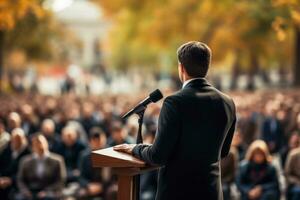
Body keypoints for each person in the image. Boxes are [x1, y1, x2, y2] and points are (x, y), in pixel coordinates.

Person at [114, 41, 236, 200]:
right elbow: (224, 151)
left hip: (177, 192)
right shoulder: (227, 102)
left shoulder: (175, 102)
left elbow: (158, 156)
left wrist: (135, 148)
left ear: (181, 68)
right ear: (207, 66)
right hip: (210, 192)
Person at [17, 133, 66, 200]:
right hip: (31, 191)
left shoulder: (57, 160)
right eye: (36, 143)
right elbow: (20, 179)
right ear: (32, 146)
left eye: (40, 142)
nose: (39, 145)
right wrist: (26, 191)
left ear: (46, 144)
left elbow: (61, 180)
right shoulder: (25, 161)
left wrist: (47, 191)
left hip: (50, 192)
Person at [0, 128, 30, 199]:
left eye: (18, 139)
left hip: (19, 184)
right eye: (13, 139)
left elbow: (27, 173)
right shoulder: (7, 151)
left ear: (23, 139)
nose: (15, 142)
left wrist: (11, 180)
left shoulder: (28, 153)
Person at [77, 127, 107, 199]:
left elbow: (113, 176)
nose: (98, 143)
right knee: (81, 194)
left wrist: (102, 186)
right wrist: (88, 185)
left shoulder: (110, 154)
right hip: (90, 185)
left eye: (99, 141)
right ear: (90, 142)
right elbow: (81, 176)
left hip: (106, 186)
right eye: (95, 141)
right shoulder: (84, 156)